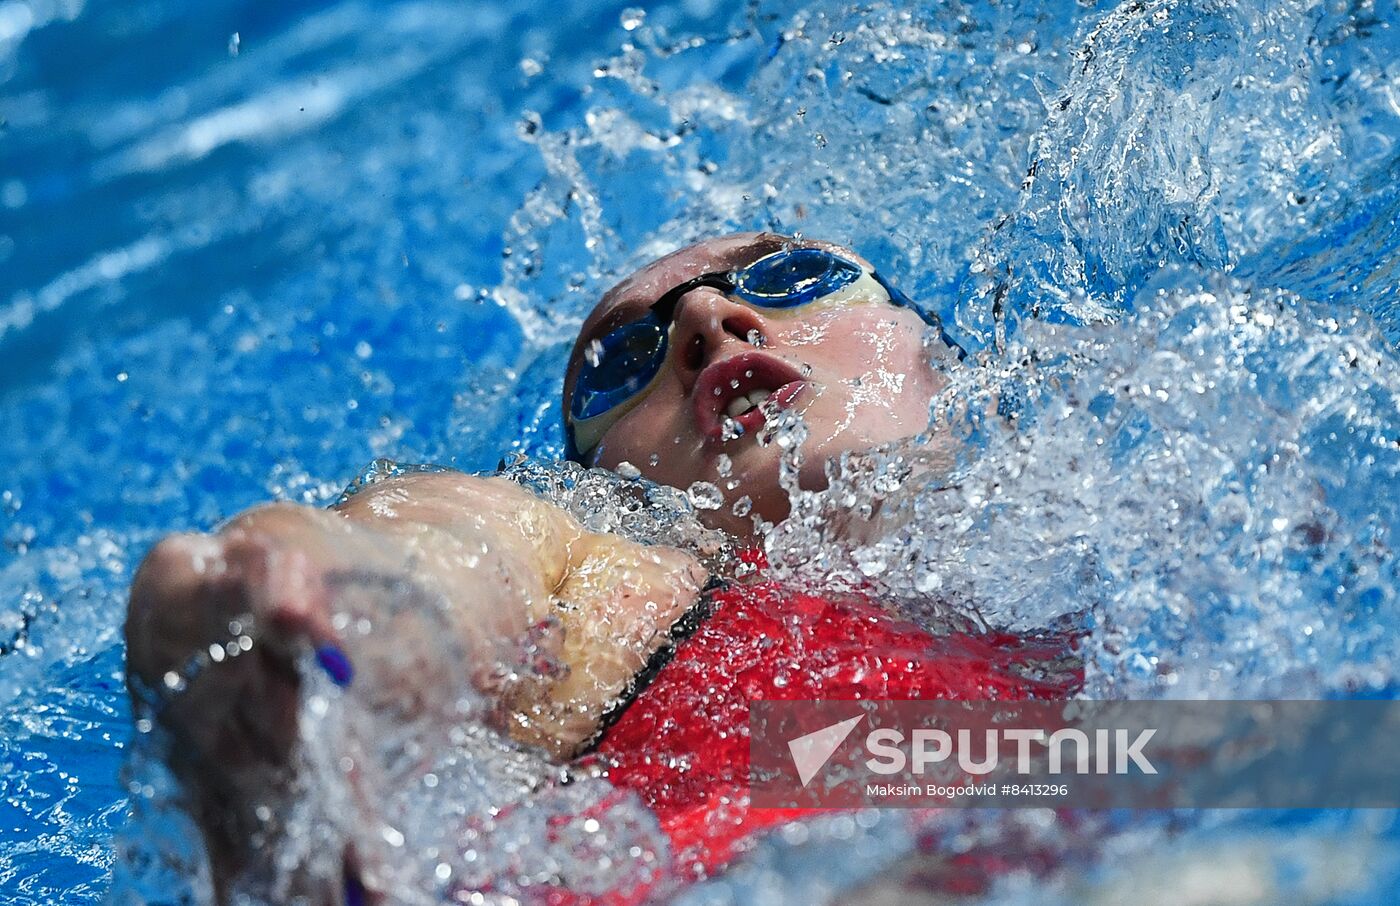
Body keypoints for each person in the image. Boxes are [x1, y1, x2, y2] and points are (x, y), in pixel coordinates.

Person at [125, 233, 1078, 902]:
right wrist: (310, 603)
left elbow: (1178, 768)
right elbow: (440, 551)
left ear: (942, 352)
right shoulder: (617, 586)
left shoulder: (1120, 531)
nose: (707, 317)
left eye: (793, 275)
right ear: (605, 482)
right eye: (622, 359)